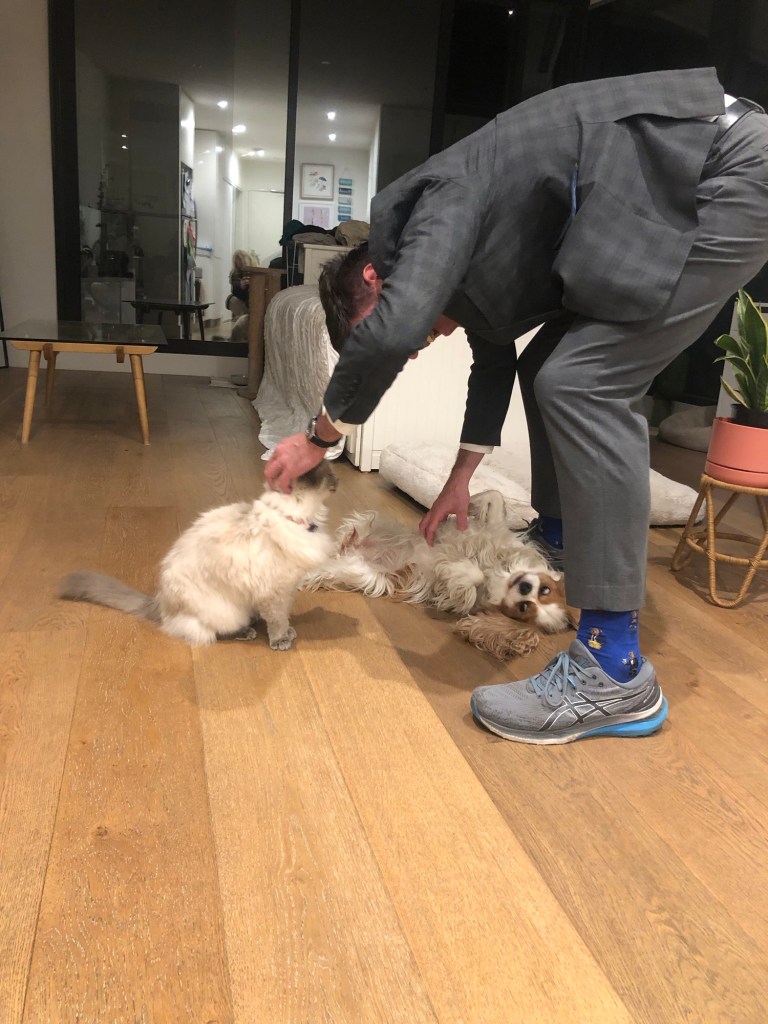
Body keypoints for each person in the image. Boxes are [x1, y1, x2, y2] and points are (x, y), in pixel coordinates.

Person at [265, 68, 768, 745]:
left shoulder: (430, 207)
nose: (410, 348)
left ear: (376, 278)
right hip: (695, 176)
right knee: (546, 368)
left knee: (583, 382)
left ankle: (613, 671)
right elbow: (497, 355)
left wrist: (318, 438)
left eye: (390, 332)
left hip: (717, 175)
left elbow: (395, 327)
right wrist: (461, 477)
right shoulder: (461, 258)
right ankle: (560, 544)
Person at [227, 249, 253, 319]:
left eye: (244, 263)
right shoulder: (235, 273)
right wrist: (241, 285)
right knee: (231, 299)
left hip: (253, 299)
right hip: (243, 300)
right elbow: (234, 288)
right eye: (239, 263)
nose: (242, 264)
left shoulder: (254, 271)